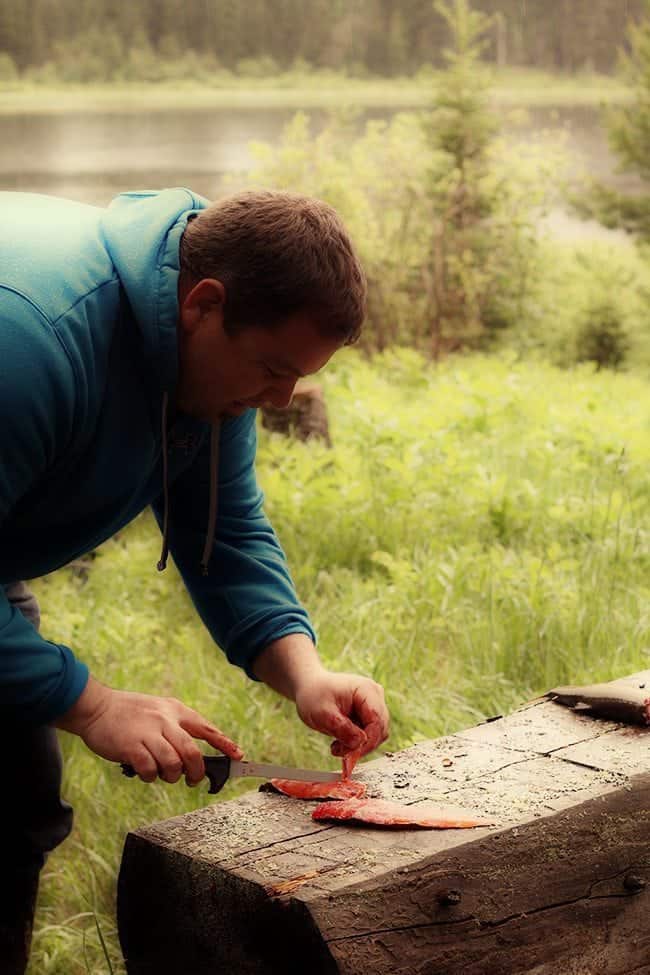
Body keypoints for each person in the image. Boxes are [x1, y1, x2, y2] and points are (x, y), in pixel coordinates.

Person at [0, 186, 390, 972]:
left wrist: (304, 671)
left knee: (12, 796)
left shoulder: (198, 352)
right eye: (274, 369)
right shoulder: (31, 340)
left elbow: (226, 533)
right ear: (203, 303)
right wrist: (95, 703)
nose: (282, 401)